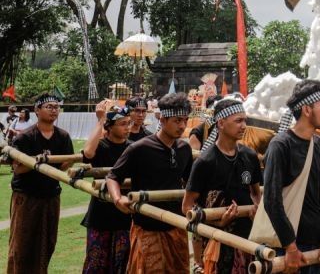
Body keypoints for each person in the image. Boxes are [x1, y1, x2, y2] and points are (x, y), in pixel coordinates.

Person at [107, 92, 194, 273]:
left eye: (185, 120)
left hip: (176, 225)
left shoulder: (184, 149)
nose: (182, 126)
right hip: (147, 226)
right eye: (177, 120)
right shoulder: (139, 148)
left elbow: (190, 183)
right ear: (162, 120)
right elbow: (113, 177)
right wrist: (117, 199)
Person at [260, 79, 320, 274]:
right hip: (285, 246)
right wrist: (290, 246)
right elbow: (271, 200)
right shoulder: (280, 146)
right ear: (307, 110)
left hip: (315, 244)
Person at [183, 98, 262, 274]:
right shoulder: (205, 161)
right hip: (215, 240)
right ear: (221, 123)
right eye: (238, 121)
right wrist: (218, 222)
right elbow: (187, 206)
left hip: (246, 236)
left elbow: (256, 193)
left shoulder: (249, 156)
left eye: (245, 120)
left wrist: (257, 209)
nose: (244, 126)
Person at [7, 93, 74, 274]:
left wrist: (51, 162)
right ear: (37, 110)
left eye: (56, 107)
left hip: (51, 196)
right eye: (49, 107)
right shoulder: (25, 137)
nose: (54, 110)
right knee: (22, 245)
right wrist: (39, 163)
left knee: (47, 243)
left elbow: (65, 164)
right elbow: (18, 169)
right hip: (26, 197)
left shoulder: (63, 136)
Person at [81, 100, 133, 274]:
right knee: (96, 264)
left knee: (122, 263)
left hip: (125, 213)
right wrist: (100, 119)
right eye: (122, 124)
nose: (127, 128)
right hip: (101, 214)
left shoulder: (132, 148)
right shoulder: (101, 147)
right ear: (109, 127)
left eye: (129, 123)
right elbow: (88, 153)